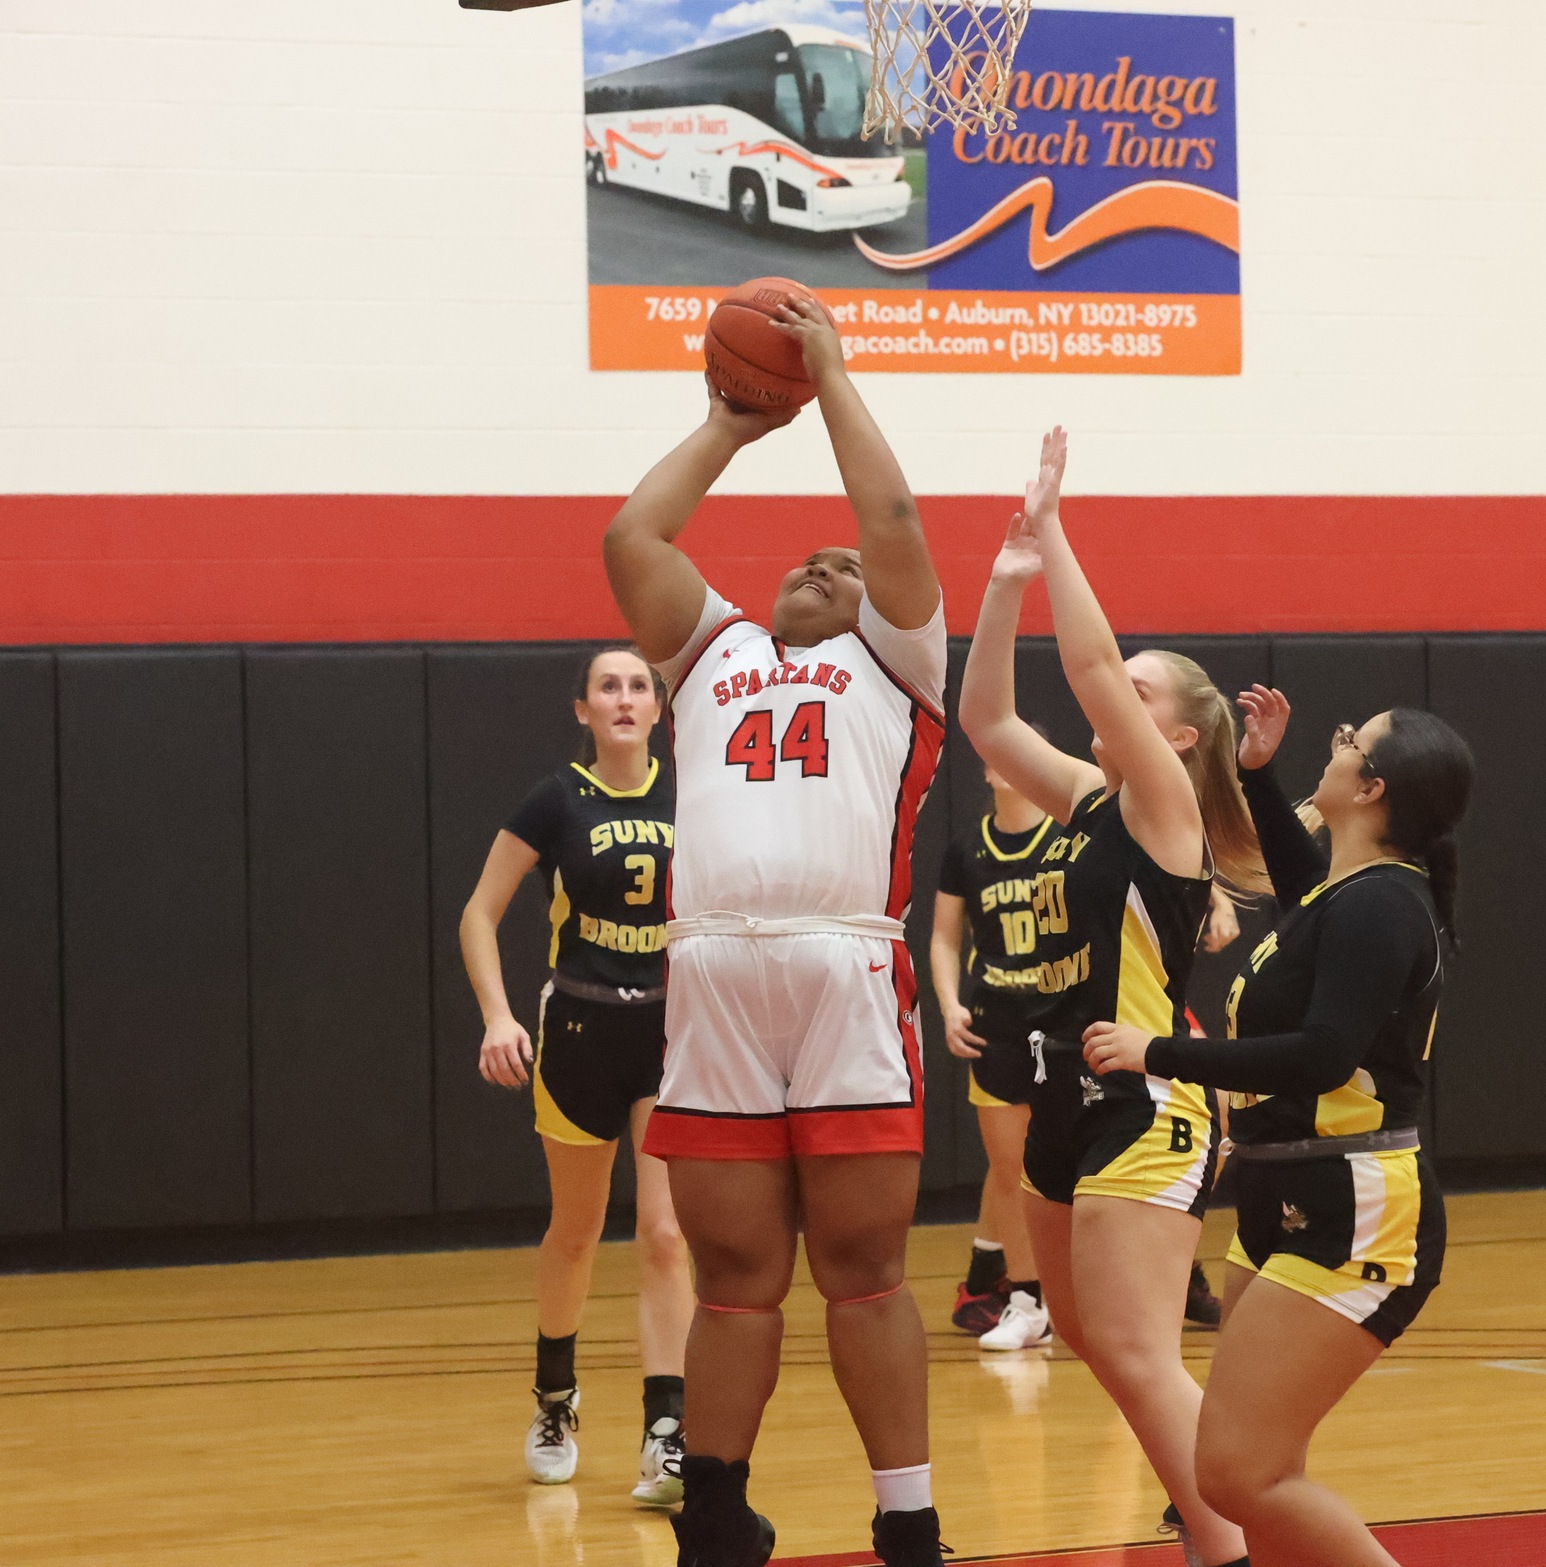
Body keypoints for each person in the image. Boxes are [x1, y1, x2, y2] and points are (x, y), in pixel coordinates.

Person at [602, 296, 949, 1567]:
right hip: (710, 970)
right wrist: (729, 425)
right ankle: (712, 1514)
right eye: (802, 559)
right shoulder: (709, 651)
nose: (822, 561)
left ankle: (905, 1525)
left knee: (861, 1266)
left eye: (839, 566)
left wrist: (833, 376)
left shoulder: (899, 662)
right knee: (735, 1271)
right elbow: (632, 532)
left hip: (844, 957)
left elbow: (893, 524)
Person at [957, 428, 1271, 1567]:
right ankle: (1207, 1525)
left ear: (1174, 735)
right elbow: (986, 720)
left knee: (1138, 1352)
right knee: (1092, 1337)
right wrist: (999, 588)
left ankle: (1231, 1541)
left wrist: (1050, 530)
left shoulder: (1164, 812)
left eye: (1141, 691)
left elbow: (1087, 669)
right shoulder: (1090, 798)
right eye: (1119, 681)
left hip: (1143, 1103)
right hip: (1058, 1101)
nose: (1109, 687)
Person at [1085, 687, 1473, 1565]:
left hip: (1351, 1200)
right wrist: (1256, 775)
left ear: (1370, 788)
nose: (1331, 746)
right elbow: (1300, 879)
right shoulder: (1345, 892)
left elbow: (1320, 1055)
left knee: (1234, 1478)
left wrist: (1157, 1053)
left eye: (1347, 740)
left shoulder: (1381, 903)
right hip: (1282, 1187)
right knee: (1258, 1467)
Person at [460, 648, 694, 1504]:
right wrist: (497, 1014)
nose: (625, 698)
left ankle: (667, 1431)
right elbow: (478, 914)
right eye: (609, 686)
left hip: (668, 1029)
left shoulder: (692, 791)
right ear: (582, 709)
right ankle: (554, 1399)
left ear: (659, 707)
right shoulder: (557, 797)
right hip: (581, 1028)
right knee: (577, 1230)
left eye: (639, 685)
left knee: (667, 1235)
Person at [930, 758, 1055, 1349]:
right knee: (1011, 1173)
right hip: (996, 1024)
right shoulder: (966, 849)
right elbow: (944, 937)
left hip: (1061, 1021)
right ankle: (1026, 1302)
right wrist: (951, 1004)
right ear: (982, 770)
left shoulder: (1066, 837)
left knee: (1079, 1166)